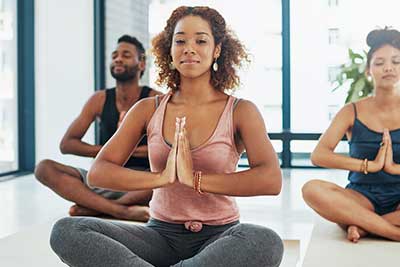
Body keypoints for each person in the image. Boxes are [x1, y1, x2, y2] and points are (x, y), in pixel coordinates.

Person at [49, 6, 284, 267]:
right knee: (67, 230)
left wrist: (194, 179)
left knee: (265, 240)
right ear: (169, 50)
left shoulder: (241, 111)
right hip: (159, 236)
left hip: (220, 237)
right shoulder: (148, 109)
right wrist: (161, 178)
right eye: (180, 40)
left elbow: (271, 179)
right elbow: (99, 173)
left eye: (201, 40)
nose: (189, 48)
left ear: (217, 49)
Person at [34, 35, 162, 221]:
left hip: (140, 183)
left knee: (169, 180)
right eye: (114, 55)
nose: (118, 58)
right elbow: (67, 144)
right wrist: (110, 151)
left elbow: (170, 149)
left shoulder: (155, 100)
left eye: (126, 55)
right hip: (103, 179)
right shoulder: (99, 99)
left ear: (141, 64)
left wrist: (127, 151)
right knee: (43, 168)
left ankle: (94, 208)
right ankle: (120, 211)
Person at [302, 27, 400, 243]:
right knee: (311, 189)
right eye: (380, 62)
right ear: (368, 70)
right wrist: (370, 165)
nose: (389, 68)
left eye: (396, 61)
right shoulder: (351, 111)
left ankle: (363, 225)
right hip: (361, 196)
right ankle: (393, 231)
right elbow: (319, 155)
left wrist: (393, 168)